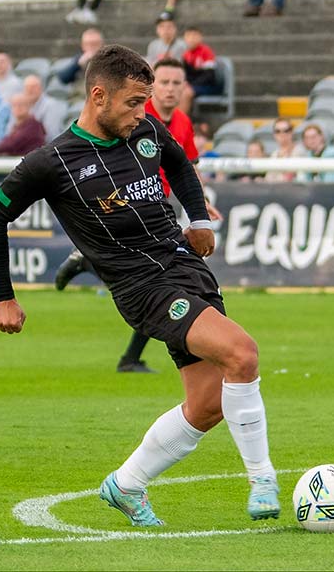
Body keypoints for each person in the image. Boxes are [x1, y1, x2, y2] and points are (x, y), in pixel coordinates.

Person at [0, 43, 281, 526]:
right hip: (143, 287)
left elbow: (179, 164)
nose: (144, 113)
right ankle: (263, 478)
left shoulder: (145, 128)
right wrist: (3, 297)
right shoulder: (52, 161)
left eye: (146, 102)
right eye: (133, 102)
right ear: (98, 96)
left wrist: (198, 218)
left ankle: (126, 485)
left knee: (207, 406)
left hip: (186, 267)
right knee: (241, 353)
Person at [54, 57, 222, 373]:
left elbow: (185, 166)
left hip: (163, 206)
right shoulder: (133, 113)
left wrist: (200, 206)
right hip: (131, 209)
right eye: (165, 83)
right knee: (157, 283)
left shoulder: (182, 122)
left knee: (165, 284)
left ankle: (88, 264)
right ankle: (137, 357)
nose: (171, 90)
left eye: (177, 84)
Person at [180, 26, 222, 115]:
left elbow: (209, 75)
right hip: (194, 85)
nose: (191, 39)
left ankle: (180, 123)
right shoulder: (186, 54)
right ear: (184, 38)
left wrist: (190, 84)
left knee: (186, 93)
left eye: (195, 36)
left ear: (200, 37)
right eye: (189, 36)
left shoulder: (206, 51)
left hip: (209, 85)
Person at [56, 28, 105, 100]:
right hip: (80, 98)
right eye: (88, 44)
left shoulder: (109, 59)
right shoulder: (78, 59)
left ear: (102, 44)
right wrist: (78, 64)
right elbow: (63, 78)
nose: (91, 47)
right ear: (83, 45)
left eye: (95, 44)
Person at [21, 75, 67, 140]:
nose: (30, 90)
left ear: (41, 88)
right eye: (27, 88)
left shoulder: (51, 105)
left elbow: (51, 135)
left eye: (33, 87)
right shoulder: (24, 106)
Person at [266, 117, 303, 181]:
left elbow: (288, 178)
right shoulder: (274, 154)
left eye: (286, 131)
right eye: (277, 131)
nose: (282, 134)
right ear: (274, 134)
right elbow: (268, 179)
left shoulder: (300, 151)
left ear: (292, 132)